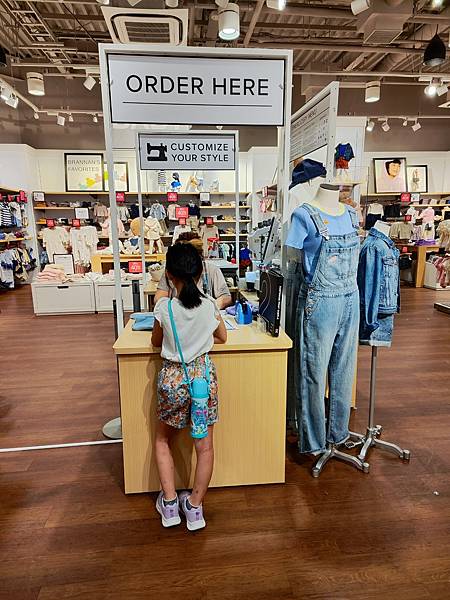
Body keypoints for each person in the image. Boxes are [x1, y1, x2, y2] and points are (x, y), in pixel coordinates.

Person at [151, 243, 227, 531]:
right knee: (204, 447)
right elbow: (222, 338)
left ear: (170, 275)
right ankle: (194, 509)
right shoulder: (208, 306)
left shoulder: (164, 307)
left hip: (173, 378)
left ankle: (170, 505)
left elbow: (156, 342)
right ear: (200, 273)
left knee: (162, 440)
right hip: (202, 381)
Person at [155, 232, 233, 309]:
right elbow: (159, 298)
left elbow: (226, 297)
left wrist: (211, 307)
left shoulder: (211, 270)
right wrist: (171, 309)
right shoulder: (172, 271)